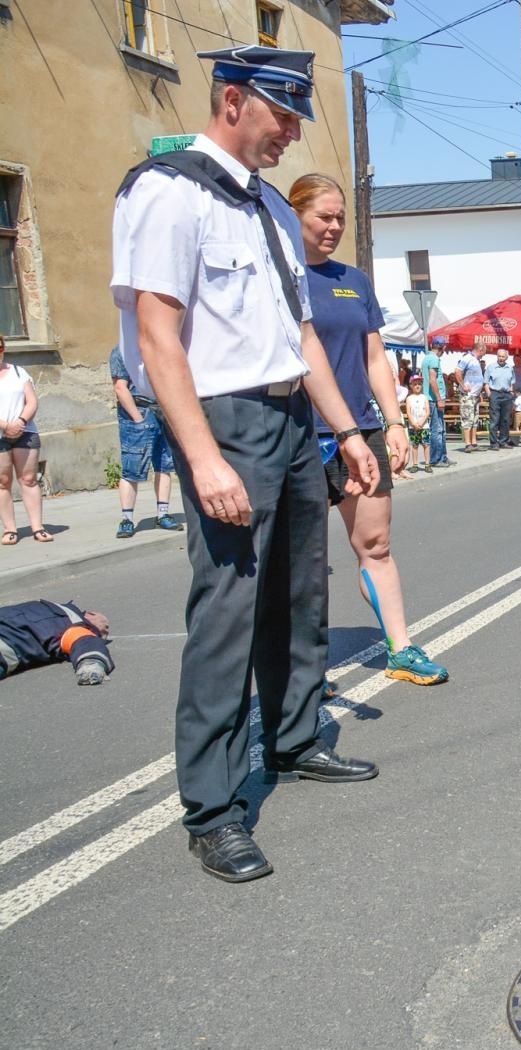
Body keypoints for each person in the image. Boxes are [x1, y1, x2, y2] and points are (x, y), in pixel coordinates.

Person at [112, 45, 382, 883]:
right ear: (233, 100)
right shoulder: (165, 192)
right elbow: (159, 337)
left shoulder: (267, 203)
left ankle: (295, 738)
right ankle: (214, 809)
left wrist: (348, 431)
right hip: (223, 420)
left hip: (293, 416)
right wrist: (203, 459)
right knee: (227, 613)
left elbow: (299, 335)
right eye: (282, 113)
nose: (293, 131)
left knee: (300, 591)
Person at [290, 173, 447, 687]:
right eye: (324, 216)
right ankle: (303, 671)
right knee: (302, 562)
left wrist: (395, 420)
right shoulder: (280, 276)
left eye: (341, 217)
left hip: (362, 428)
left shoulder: (354, 280)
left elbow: (375, 356)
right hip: (300, 434)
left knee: (375, 545)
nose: (334, 226)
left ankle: (400, 649)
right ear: (295, 215)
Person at [109, 345, 184, 538]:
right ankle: (127, 519)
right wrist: (137, 418)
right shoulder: (122, 350)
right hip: (138, 410)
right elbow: (120, 387)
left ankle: (162, 515)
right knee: (132, 468)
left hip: (163, 410)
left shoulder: (159, 345)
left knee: (164, 465)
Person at [0, 336, 47, 545]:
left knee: (29, 479)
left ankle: (38, 528)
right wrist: (5, 426)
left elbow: (32, 401)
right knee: (3, 483)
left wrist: (20, 421)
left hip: (25, 432)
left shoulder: (19, 372)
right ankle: (10, 529)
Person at [0, 600, 112, 685]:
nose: (103, 634)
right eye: (104, 629)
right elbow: (88, 645)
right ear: (90, 614)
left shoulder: (41, 606)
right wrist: (92, 666)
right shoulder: (74, 624)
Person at [420, 339, 452, 468]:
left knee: (441, 429)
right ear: (442, 347)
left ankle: (443, 457)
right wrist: (439, 398)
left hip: (433, 398)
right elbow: (433, 380)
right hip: (433, 399)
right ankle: (436, 459)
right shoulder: (433, 359)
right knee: (437, 430)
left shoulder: (427, 357)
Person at [455, 343, 486, 452]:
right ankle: (468, 444)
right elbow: (458, 371)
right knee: (467, 418)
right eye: (483, 353)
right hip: (467, 395)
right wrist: (463, 385)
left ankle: (474, 442)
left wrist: (479, 393)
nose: (483, 355)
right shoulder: (467, 358)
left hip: (475, 395)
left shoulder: (475, 360)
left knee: (474, 419)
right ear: (480, 350)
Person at [484, 348, 517, 449]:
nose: (501, 358)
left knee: (506, 420)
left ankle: (503, 441)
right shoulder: (491, 367)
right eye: (499, 356)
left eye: (503, 356)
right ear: (497, 356)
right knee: (494, 420)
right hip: (495, 394)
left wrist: (511, 393)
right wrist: (490, 394)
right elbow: (486, 383)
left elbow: (512, 382)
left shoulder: (510, 368)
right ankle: (494, 443)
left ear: (506, 357)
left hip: (507, 395)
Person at [402, 375, 432, 472]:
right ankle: (415, 464)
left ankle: (427, 464)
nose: (417, 386)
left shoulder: (424, 397)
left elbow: (427, 411)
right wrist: (414, 424)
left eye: (419, 384)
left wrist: (422, 422)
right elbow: (408, 412)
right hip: (413, 426)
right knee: (414, 445)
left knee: (426, 444)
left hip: (424, 426)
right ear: (411, 386)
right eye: (415, 384)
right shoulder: (409, 398)